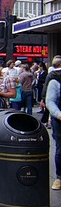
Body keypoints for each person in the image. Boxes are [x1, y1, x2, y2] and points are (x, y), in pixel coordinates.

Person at [45, 55, 61, 190]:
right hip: (59, 119)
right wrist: (58, 114)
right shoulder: (55, 80)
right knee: (60, 148)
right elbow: (50, 100)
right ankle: (59, 177)